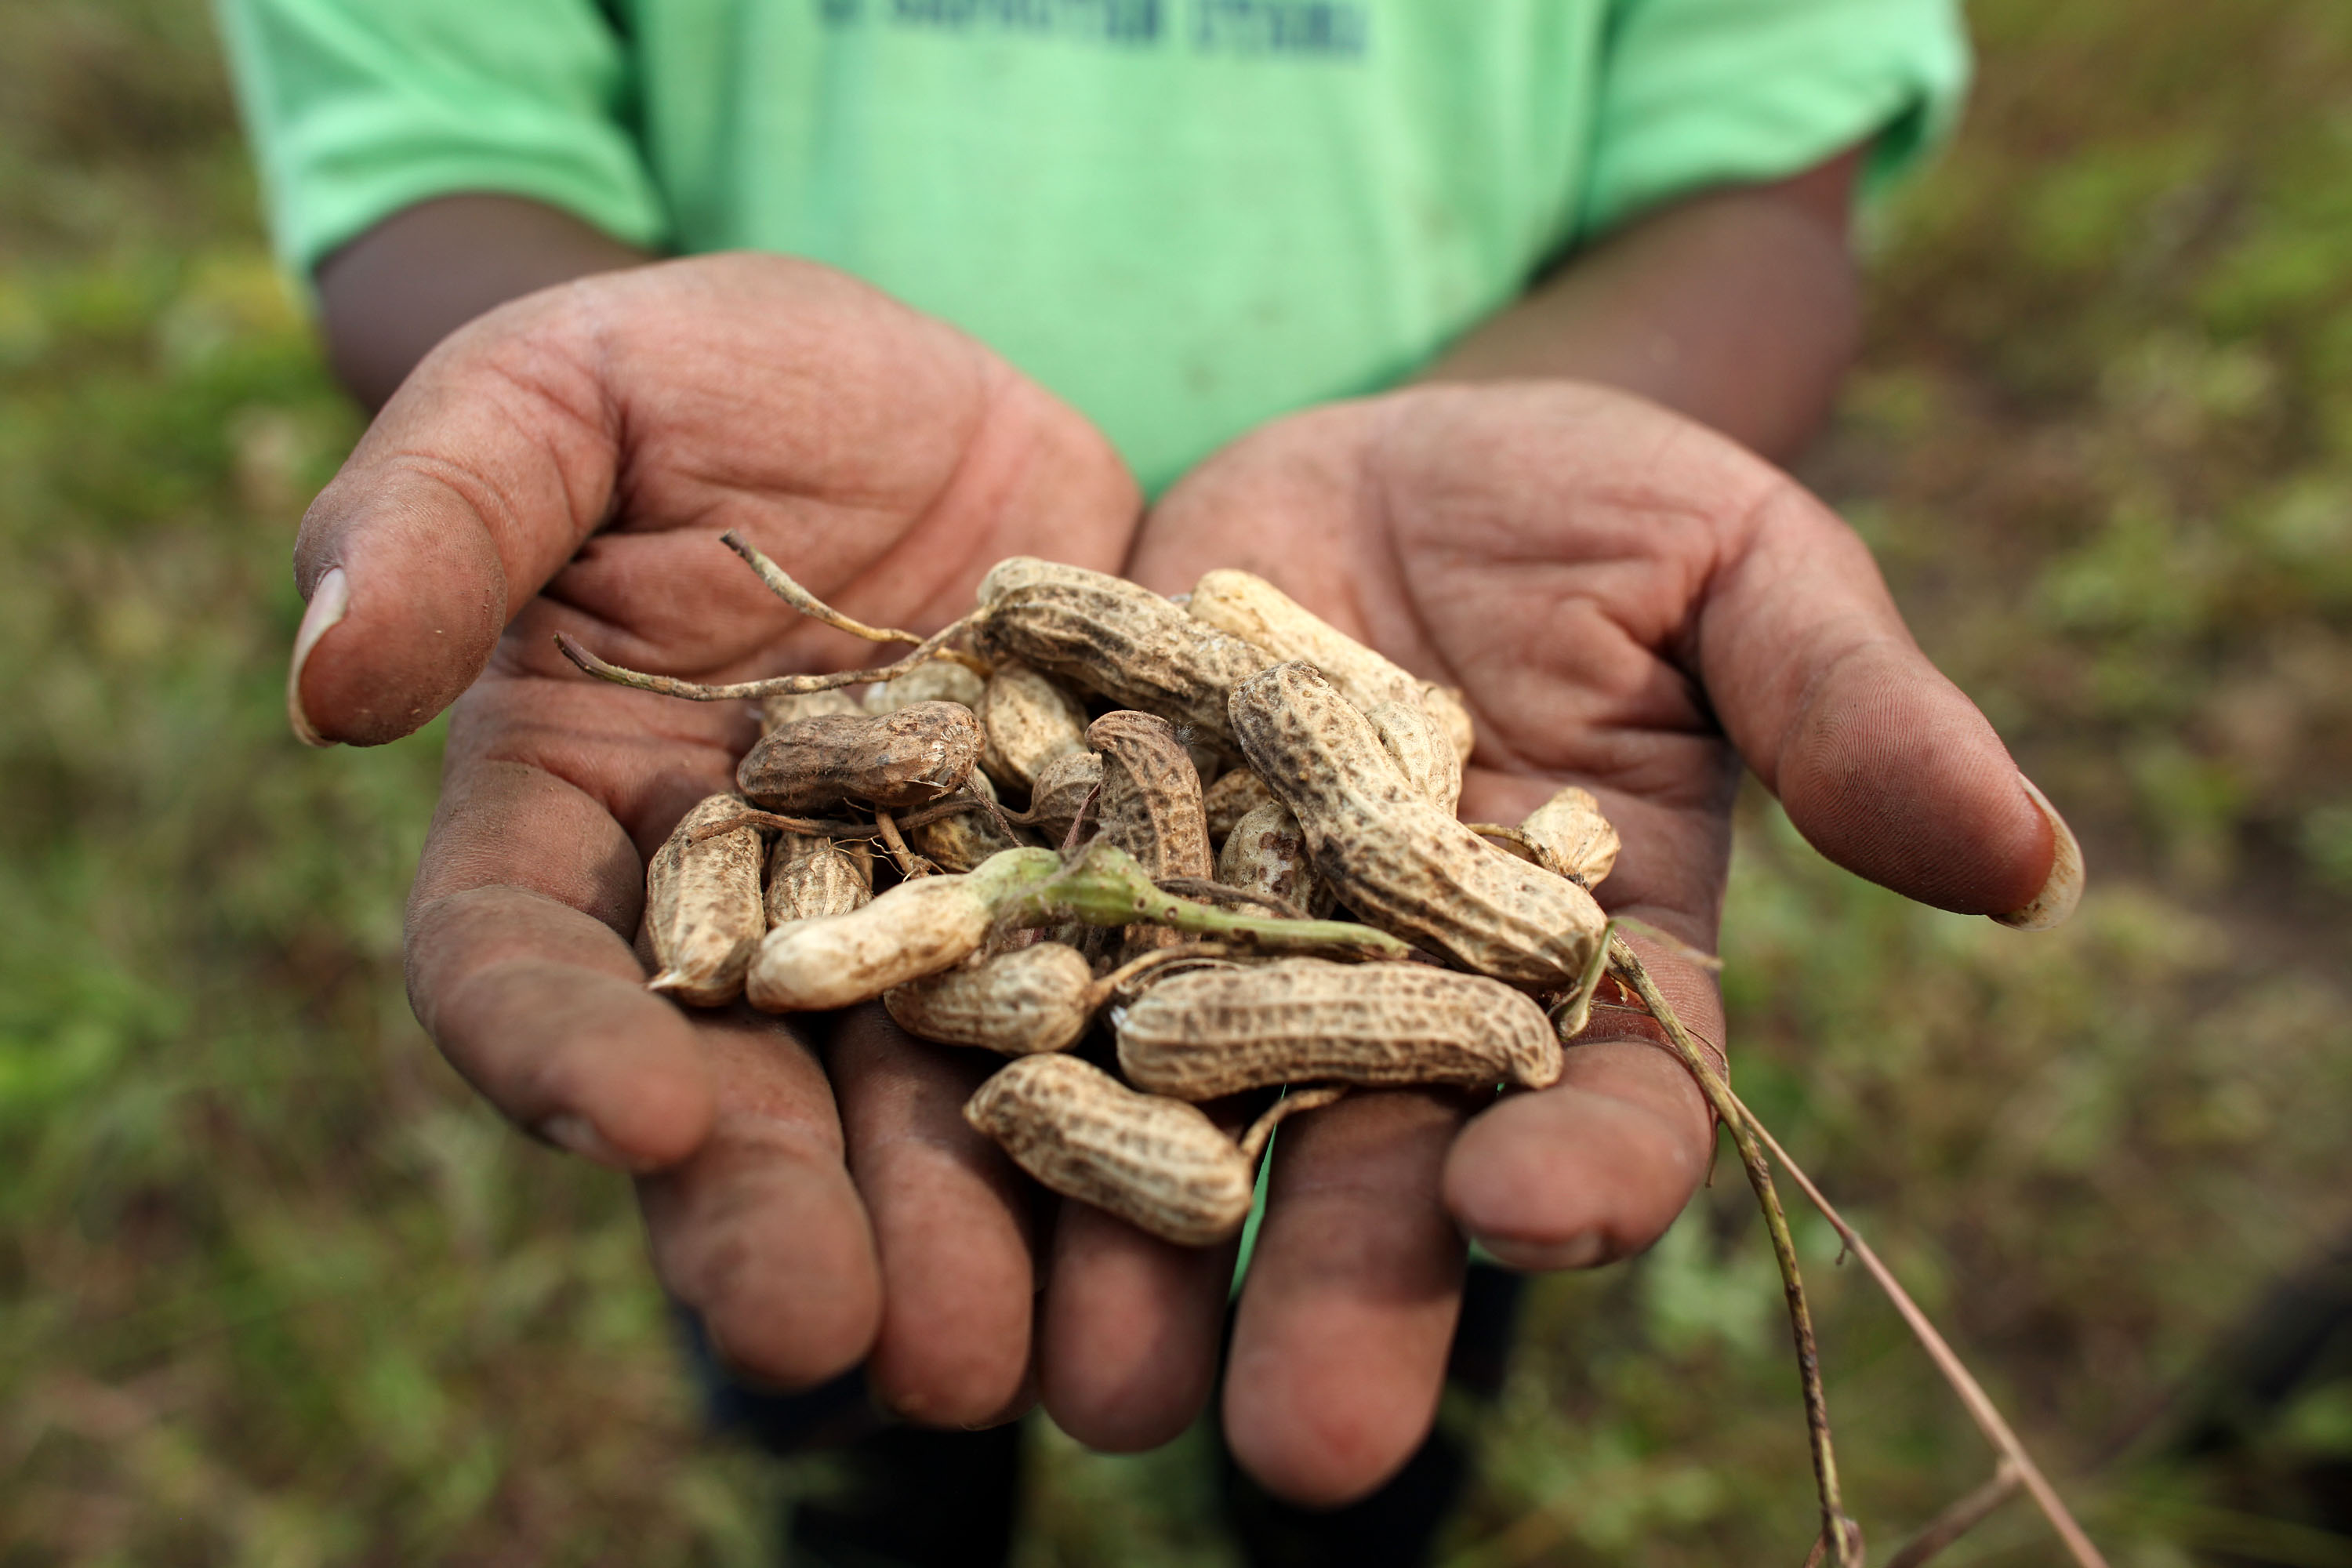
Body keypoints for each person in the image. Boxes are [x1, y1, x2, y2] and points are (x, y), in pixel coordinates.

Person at [219, 2, 2074, 1559]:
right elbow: (422, 142)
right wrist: (603, 386)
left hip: (1403, 734)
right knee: (843, 1351)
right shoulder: (972, 773)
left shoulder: (1335, 817)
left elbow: (1765, 169)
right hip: (842, 639)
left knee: (1404, 1288)